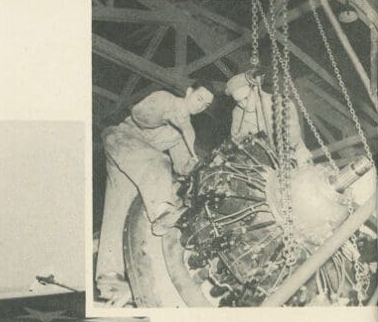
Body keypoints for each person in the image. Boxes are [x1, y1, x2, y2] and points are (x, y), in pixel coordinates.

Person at [102, 85, 214, 237]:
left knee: (120, 215)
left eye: (205, 105)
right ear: (189, 91)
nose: (200, 106)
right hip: (122, 139)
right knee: (159, 161)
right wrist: (164, 116)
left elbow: (182, 163)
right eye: (199, 98)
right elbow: (139, 115)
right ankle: (162, 212)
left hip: (135, 165)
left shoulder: (186, 131)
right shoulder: (165, 99)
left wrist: (197, 167)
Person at [226, 70, 311, 167]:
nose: (243, 105)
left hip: (293, 155)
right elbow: (237, 140)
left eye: (246, 98)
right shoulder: (237, 112)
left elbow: (293, 137)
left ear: (256, 89)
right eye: (238, 101)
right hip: (261, 162)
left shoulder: (280, 103)